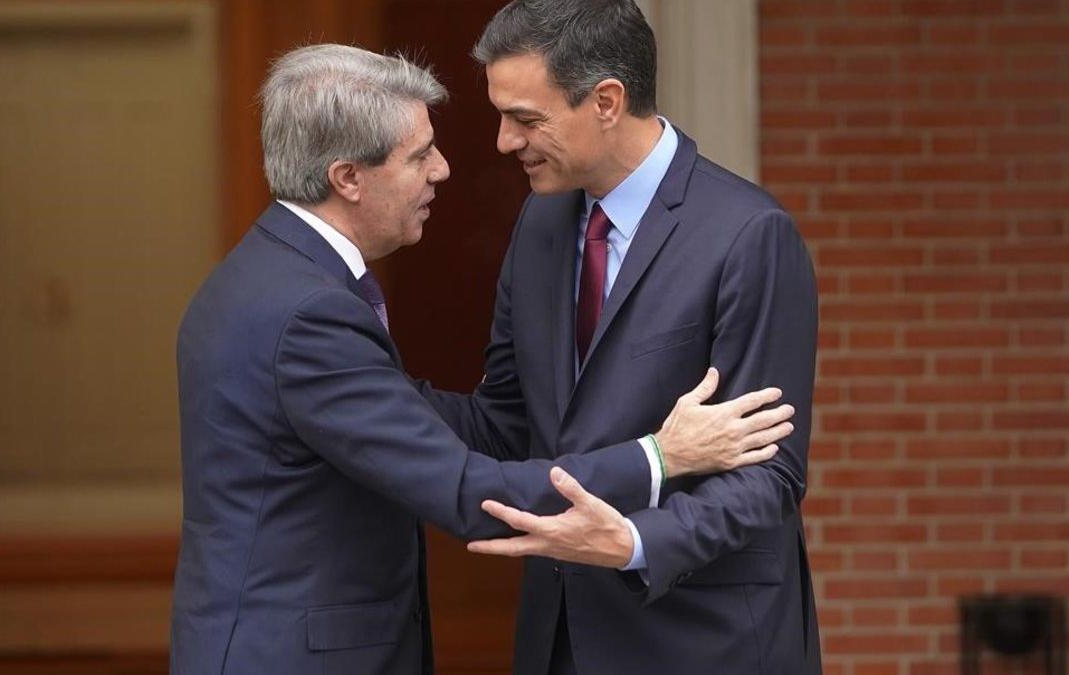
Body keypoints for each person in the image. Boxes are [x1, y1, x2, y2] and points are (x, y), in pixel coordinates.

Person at [170, 43, 794, 675]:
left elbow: (408, 419)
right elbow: (470, 496)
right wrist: (663, 455)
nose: (443, 170)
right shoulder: (307, 311)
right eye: (419, 156)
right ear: (347, 178)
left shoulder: (265, 276)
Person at [416, 1, 822, 673]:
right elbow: (507, 423)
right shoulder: (539, 225)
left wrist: (632, 538)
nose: (502, 142)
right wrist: (368, 387)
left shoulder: (749, 235)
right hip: (561, 640)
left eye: (525, 119)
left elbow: (769, 475)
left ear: (606, 100)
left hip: (704, 643)